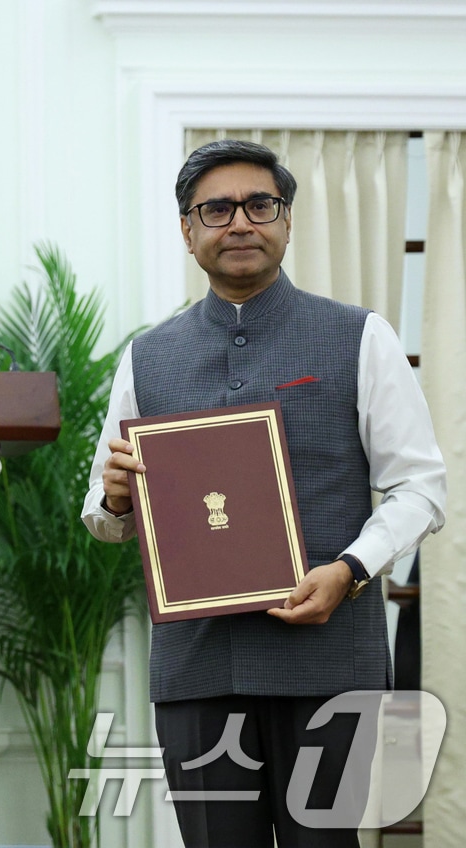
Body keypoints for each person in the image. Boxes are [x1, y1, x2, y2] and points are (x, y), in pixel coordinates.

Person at [82, 139, 446, 847]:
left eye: (260, 205)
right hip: (197, 669)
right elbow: (102, 516)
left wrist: (350, 570)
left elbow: (420, 487)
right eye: (216, 209)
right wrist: (118, 497)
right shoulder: (147, 356)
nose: (240, 222)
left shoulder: (359, 336)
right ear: (189, 232)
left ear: (287, 221)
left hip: (329, 665)